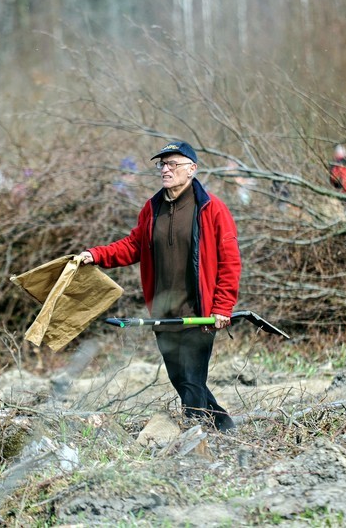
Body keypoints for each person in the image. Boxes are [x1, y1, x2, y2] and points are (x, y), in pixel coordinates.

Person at [79, 141, 241, 433]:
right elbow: (132, 246)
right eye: (161, 165)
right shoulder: (152, 208)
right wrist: (96, 255)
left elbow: (230, 261)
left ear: (191, 169)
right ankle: (225, 427)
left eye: (173, 164)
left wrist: (222, 307)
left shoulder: (211, 208)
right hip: (163, 313)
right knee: (181, 379)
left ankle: (197, 440)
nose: (165, 169)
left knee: (192, 380)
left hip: (199, 313)